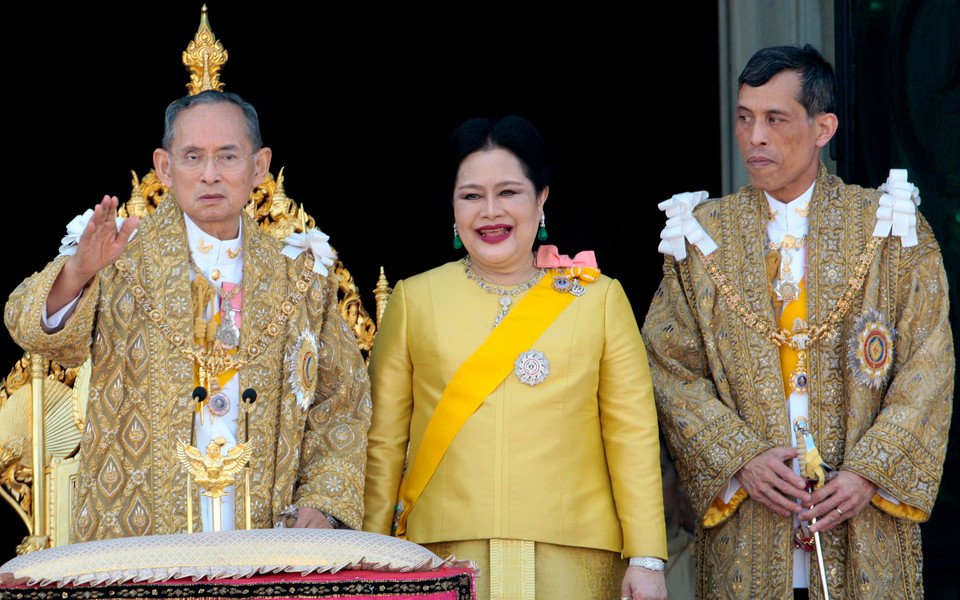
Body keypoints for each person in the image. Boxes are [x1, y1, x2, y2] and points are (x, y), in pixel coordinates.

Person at [642, 45, 953, 599]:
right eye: (744, 118)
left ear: (823, 127)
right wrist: (742, 459)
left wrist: (869, 473)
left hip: (864, 523)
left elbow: (928, 367)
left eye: (774, 119)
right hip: (750, 526)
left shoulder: (890, 228)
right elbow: (668, 364)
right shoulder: (699, 236)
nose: (754, 137)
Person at [5, 90, 371, 540]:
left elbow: (343, 401)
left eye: (228, 157)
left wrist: (322, 500)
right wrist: (78, 271)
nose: (210, 175)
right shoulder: (115, 256)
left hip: (267, 529)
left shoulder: (299, 276)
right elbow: (32, 332)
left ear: (259, 167)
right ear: (164, 168)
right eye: (193, 157)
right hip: (138, 534)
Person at [363, 116, 667, 600]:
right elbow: (382, 441)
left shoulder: (599, 299)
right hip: (440, 554)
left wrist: (647, 557)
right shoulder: (415, 299)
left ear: (541, 197)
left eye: (508, 192)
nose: (490, 211)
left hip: (575, 555)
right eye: (471, 195)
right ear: (453, 206)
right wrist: (370, 553)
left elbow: (632, 435)